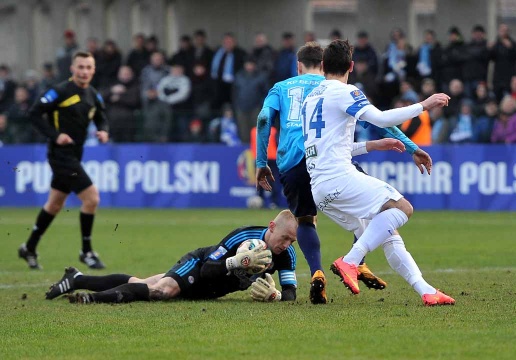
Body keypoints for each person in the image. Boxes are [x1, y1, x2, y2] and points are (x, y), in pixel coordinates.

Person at [256, 42, 433, 305]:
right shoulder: (338, 90)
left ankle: (318, 271)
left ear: (299, 66)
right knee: (375, 209)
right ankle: (355, 261)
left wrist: (261, 162)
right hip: (332, 165)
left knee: (306, 220)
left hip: (296, 163)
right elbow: (379, 121)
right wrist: (411, 147)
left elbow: (263, 119)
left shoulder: (283, 87)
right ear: (334, 65)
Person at [302, 39, 455, 306]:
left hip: (320, 189)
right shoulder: (346, 91)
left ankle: (426, 291)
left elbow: (329, 147)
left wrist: (372, 145)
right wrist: (424, 104)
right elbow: (382, 119)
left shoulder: (310, 100)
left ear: (323, 65)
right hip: (339, 178)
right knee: (401, 207)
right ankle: (350, 261)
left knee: (388, 235)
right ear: (351, 66)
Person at [45, 210, 298, 304]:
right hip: (198, 266)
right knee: (162, 291)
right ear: (272, 227)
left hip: (209, 293)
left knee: (142, 284)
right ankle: (90, 299)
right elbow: (209, 269)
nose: (285, 245)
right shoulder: (242, 236)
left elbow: (290, 294)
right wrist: (237, 262)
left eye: (291, 242)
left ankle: (77, 278)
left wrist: (275, 296)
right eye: (284, 238)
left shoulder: (286, 255)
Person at [18, 51, 109, 270]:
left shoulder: (93, 95)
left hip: (76, 154)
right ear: (72, 68)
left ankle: (29, 247)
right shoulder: (59, 91)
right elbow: (33, 113)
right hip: (60, 155)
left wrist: (103, 131)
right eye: (81, 67)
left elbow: (101, 117)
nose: (84, 71)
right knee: (92, 198)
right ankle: (86, 252)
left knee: (55, 203)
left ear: (93, 70)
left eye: (88, 67)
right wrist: (55, 135)